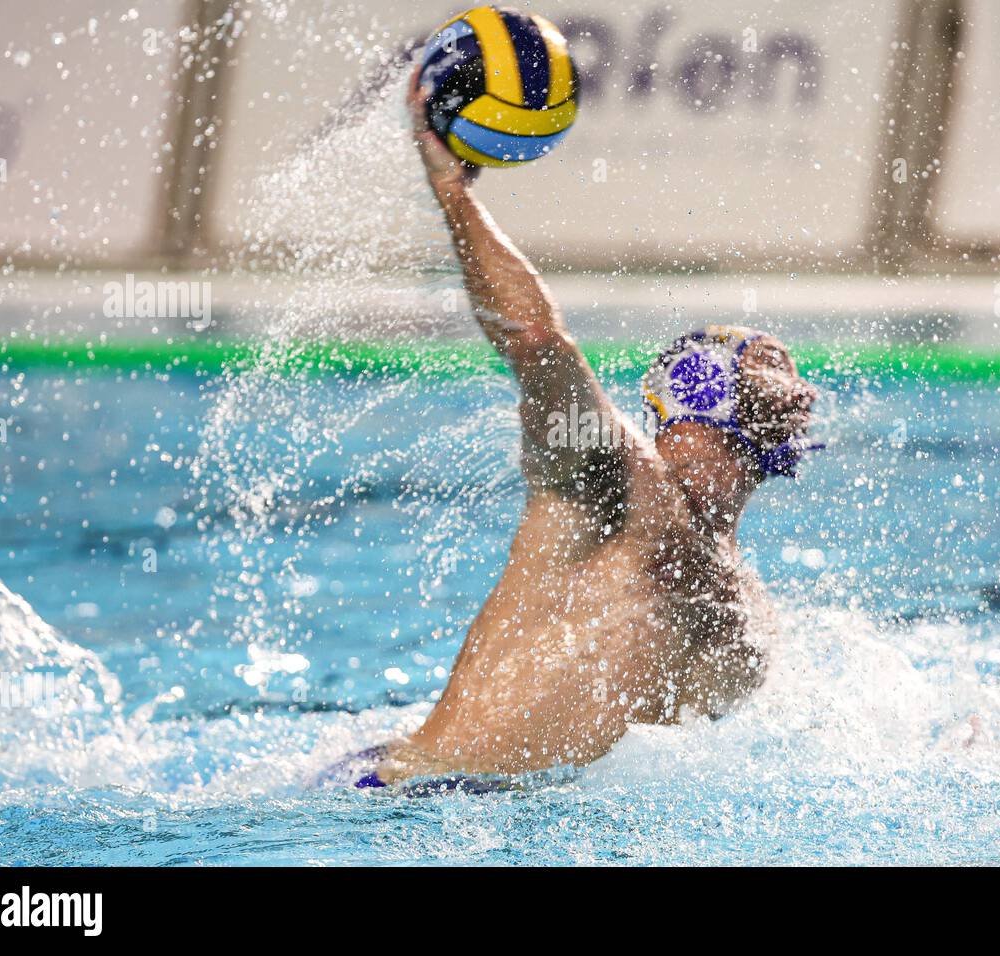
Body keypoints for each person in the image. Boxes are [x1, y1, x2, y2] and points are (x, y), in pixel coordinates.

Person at [342, 66, 822, 788]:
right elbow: (536, 339)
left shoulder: (748, 615)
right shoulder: (613, 481)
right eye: (721, 410)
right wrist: (452, 193)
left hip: (494, 826)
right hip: (397, 802)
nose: (711, 441)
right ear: (674, 422)